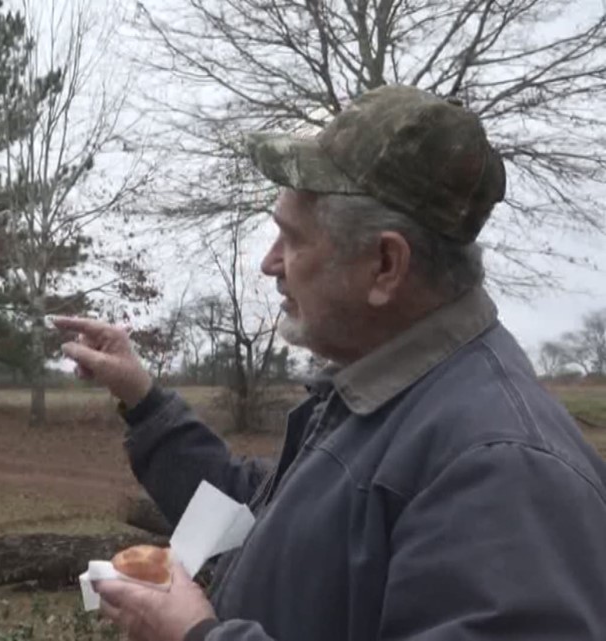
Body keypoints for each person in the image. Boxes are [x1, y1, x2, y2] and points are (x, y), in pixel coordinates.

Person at [53, 84, 606, 641]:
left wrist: (196, 635)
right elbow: (261, 518)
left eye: (291, 239)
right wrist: (143, 400)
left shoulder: (503, 472)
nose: (270, 264)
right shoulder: (387, 399)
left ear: (385, 265)